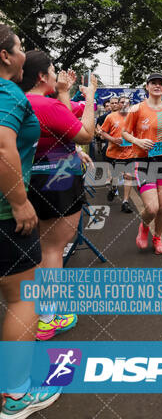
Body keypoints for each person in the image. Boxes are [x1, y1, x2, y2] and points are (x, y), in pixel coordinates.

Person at [0, 25, 61, 416]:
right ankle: (17, 394)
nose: (24, 54)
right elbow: (2, 146)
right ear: (5, 56)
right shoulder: (7, 92)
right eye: (20, 47)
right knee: (23, 299)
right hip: (6, 216)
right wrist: (19, 202)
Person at [19, 50, 96, 340]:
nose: (55, 74)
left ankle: (41, 310)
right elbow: (86, 133)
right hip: (59, 181)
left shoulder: (17, 102)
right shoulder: (46, 104)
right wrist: (89, 98)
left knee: (39, 247)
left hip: (28, 181)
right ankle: (48, 316)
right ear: (41, 76)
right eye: (52, 70)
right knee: (53, 249)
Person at [122, 74, 162, 253]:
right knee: (152, 207)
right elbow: (125, 133)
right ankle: (144, 226)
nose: (157, 86)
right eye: (153, 83)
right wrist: (138, 142)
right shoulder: (136, 109)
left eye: (161, 84)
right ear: (147, 86)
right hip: (143, 161)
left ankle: (157, 238)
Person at [101, 95, 135, 213]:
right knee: (115, 177)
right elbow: (103, 133)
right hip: (113, 153)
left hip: (130, 153)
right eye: (122, 102)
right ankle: (113, 188)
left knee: (128, 176)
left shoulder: (135, 117)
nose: (124, 104)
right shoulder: (111, 117)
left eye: (126, 102)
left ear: (129, 104)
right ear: (118, 104)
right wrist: (113, 140)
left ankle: (125, 202)